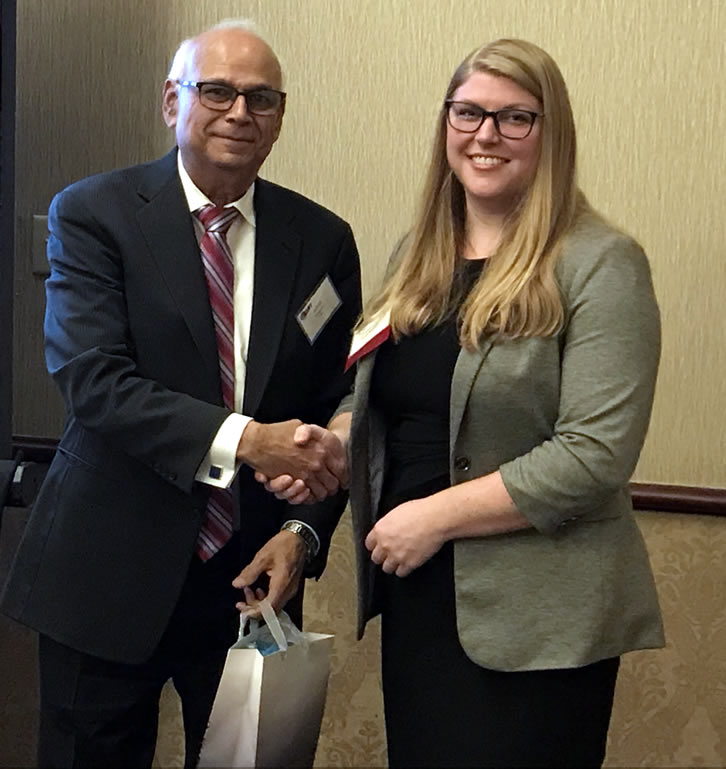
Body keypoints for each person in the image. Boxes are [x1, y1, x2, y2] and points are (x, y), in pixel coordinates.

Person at [260, 38, 664, 769]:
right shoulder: (418, 257)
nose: (486, 134)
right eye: (469, 112)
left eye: (515, 117)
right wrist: (337, 445)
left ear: (552, 131)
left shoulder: (600, 264)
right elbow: (389, 402)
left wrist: (434, 517)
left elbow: (595, 455)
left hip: (538, 620)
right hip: (421, 597)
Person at [0, 19, 360, 769]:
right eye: (217, 91)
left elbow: (340, 403)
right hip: (106, 571)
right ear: (173, 101)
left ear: (280, 117)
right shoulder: (93, 213)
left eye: (261, 98)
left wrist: (303, 533)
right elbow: (95, 382)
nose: (239, 113)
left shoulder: (322, 240)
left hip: (252, 582)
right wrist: (248, 440)